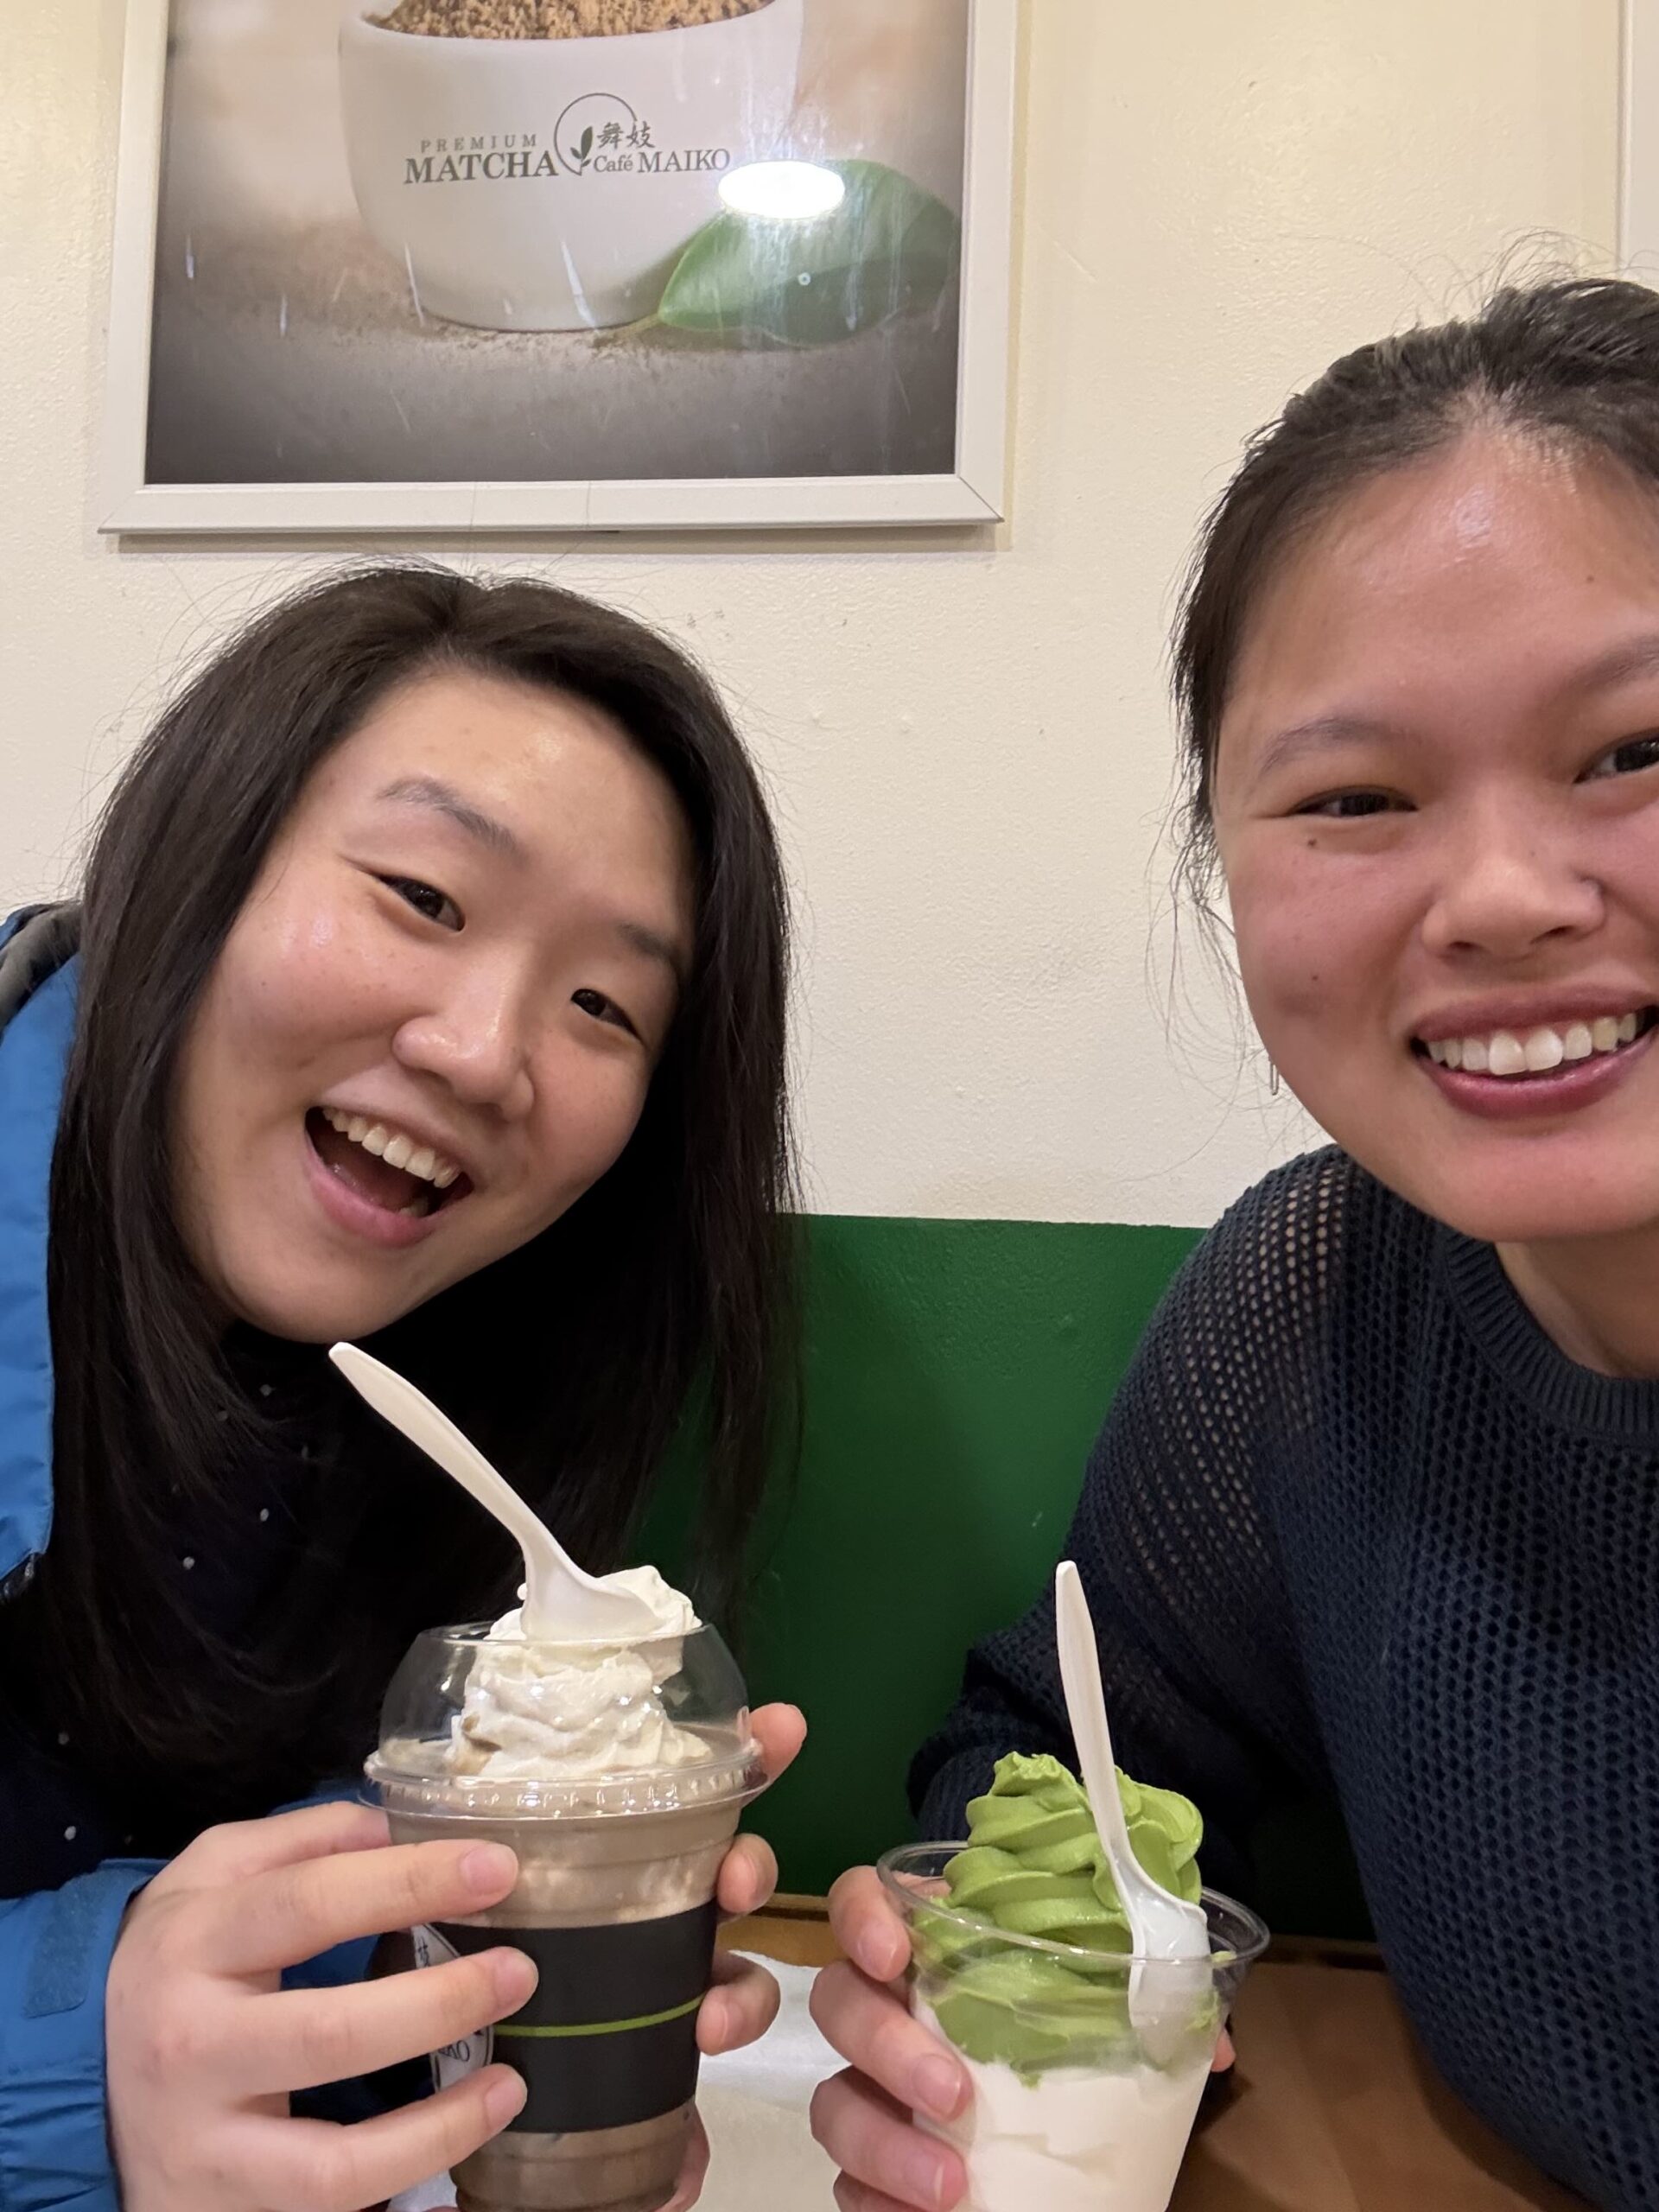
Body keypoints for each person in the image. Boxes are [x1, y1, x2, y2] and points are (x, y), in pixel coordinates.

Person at [809, 276, 1659, 2212]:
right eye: (1355, 797)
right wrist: (1018, 1993)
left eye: (1631, 748)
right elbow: (1075, 1758)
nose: (1504, 897)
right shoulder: (1315, 1300)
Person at [0, 564, 807, 2212]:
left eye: (604, 1006)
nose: (484, 1051)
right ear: (197, 862)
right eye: (424, 898)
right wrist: (82, 2059)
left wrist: (464, 2008)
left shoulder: (492, 1378)